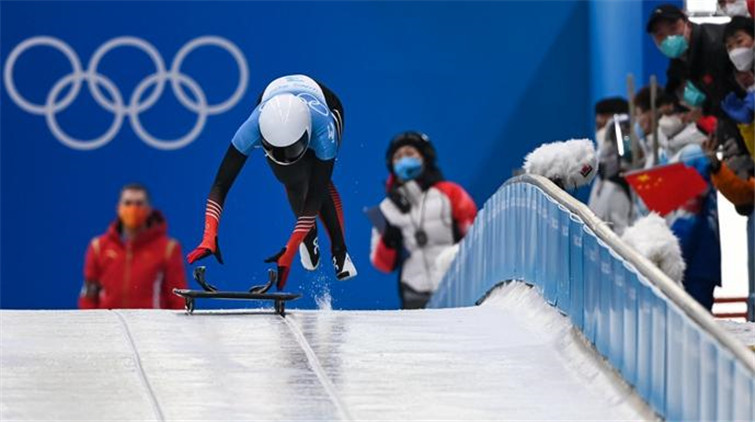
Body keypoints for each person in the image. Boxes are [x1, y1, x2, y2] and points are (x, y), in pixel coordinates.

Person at [186, 74, 356, 290]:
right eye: (276, 150)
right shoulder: (252, 127)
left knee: (316, 178)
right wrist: (209, 235)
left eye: (292, 150)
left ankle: (339, 252)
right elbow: (220, 185)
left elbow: (316, 193)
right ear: (263, 138)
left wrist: (290, 247)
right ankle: (308, 235)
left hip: (326, 105)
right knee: (289, 177)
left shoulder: (324, 131)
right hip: (273, 102)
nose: (285, 156)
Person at [369, 132, 477, 309]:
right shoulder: (386, 209)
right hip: (413, 292)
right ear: (392, 165)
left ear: (425, 157)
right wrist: (388, 243)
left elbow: (474, 238)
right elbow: (382, 264)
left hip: (456, 283)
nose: (404, 160)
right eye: (398, 157)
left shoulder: (451, 193)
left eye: (410, 154)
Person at [79, 184, 187, 309]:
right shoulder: (98, 247)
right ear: (119, 208)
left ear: (148, 210)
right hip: (109, 324)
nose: (133, 208)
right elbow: (88, 296)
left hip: (150, 325)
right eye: (128, 203)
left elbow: (178, 298)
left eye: (139, 203)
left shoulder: (168, 249)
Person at [646, 4, 739, 117]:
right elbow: (672, 88)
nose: (669, 38)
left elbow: (728, 94)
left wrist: (705, 112)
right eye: (660, 35)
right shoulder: (680, 57)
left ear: (687, 24)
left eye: (673, 28)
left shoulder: (714, 46)